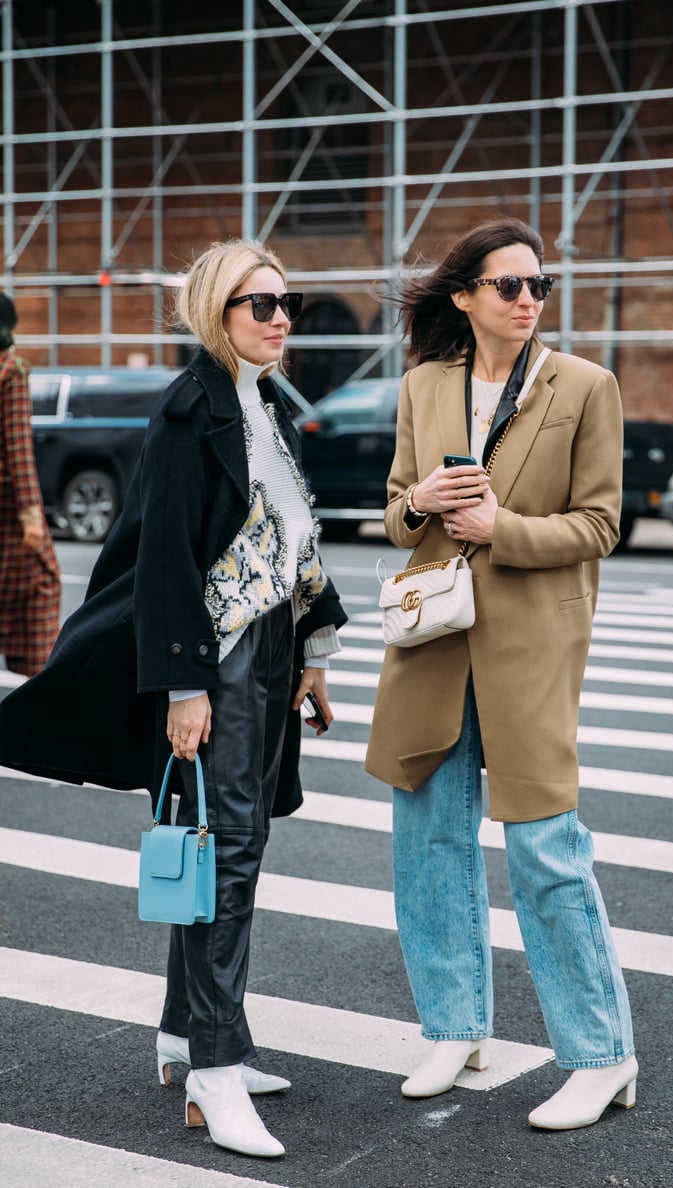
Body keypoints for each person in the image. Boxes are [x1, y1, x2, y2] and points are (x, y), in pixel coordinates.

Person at [0, 239, 347, 1158]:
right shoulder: (189, 411)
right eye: (259, 305)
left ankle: (181, 1034)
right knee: (225, 855)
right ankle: (216, 1070)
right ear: (213, 314)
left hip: (269, 652)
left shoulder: (265, 404)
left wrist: (313, 650)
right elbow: (161, 563)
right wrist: (185, 684)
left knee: (235, 840)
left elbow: (291, 538)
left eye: (288, 303)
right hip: (219, 659)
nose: (280, 319)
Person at [365, 217, 637, 1131]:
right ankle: (454, 1028)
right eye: (509, 286)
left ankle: (602, 1054)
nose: (527, 301)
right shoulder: (423, 386)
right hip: (435, 639)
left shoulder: (585, 387)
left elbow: (601, 525)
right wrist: (421, 504)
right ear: (465, 297)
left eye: (538, 287)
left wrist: (501, 531)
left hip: (529, 650)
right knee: (428, 840)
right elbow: (396, 512)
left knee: (546, 852)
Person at [0, 293, 61, 676]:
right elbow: (18, 447)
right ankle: (37, 690)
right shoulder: (11, 370)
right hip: (8, 515)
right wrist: (31, 515)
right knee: (44, 586)